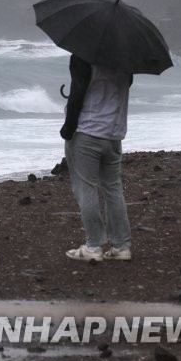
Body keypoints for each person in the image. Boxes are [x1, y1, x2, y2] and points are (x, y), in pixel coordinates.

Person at [60, 54, 133, 262]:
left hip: (87, 132)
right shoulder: (126, 60)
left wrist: (67, 129)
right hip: (114, 133)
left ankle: (93, 247)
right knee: (113, 188)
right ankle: (121, 246)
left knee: (86, 188)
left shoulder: (82, 56)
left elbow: (77, 94)